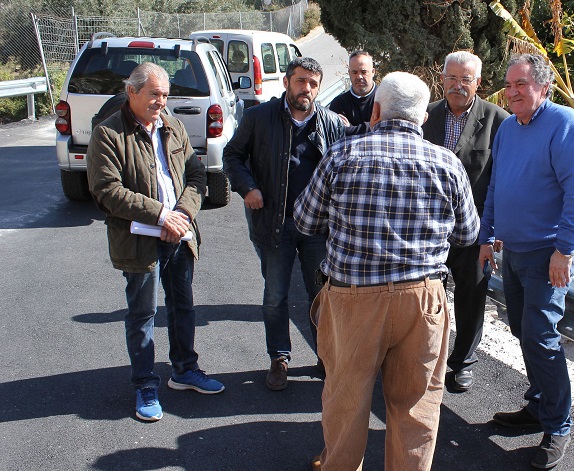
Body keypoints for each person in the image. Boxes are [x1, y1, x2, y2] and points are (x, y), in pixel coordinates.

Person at [295, 71, 479, 471]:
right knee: (416, 410)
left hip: (352, 301)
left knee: (346, 401)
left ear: (375, 110)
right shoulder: (446, 163)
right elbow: (468, 233)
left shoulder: (343, 155)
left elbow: (305, 221)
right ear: (422, 119)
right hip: (423, 301)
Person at [87, 62, 224, 422]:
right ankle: (146, 384)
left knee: (182, 307)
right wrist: (161, 215)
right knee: (143, 314)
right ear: (131, 92)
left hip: (179, 234)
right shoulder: (108, 134)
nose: (161, 101)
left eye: (164, 95)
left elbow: (196, 175)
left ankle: (184, 371)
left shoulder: (173, 126)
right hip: (140, 241)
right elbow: (106, 191)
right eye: (154, 94)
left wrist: (182, 215)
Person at [478, 54, 574, 469]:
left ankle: (558, 426)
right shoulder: (509, 128)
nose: (511, 93)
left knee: (541, 339)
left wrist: (565, 251)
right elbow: (496, 185)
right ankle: (539, 404)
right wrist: (487, 236)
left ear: (543, 88)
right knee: (521, 330)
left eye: (521, 85)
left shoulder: (566, 125)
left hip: (548, 256)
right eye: (508, 85)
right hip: (511, 251)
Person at [222, 57, 346, 391]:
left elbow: (344, 167)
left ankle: (326, 356)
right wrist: (247, 187)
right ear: (287, 82)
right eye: (301, 81)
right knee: (275, 296)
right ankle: (279, 358)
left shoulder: (332, 123)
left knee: (321, 295)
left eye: (314, 83)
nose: (307, 89)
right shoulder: (258, 118)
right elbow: (231, 155)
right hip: (276, 224)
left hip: (318, 229)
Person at [421, 50, 509, 393]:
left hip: (476, 231)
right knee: (429, 301)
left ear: (479, 83)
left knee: (471, 299)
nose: (458, 86)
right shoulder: (425, 117)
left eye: (466, 79)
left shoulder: (499, 121)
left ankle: (462, 363)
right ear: (441, 79)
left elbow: (502, 179)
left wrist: (494, 231)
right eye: (451, 78)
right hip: (429, 230)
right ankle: (430, 358)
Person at [329, 50, 376, 132]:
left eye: (364, 72)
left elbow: (385, 128)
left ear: (373, 72)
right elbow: (337, 134)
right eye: (354, 72)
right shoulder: (339, 103)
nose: (359, 76)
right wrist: (371, 126)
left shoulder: (384, 99)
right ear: (349, 73)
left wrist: (350, 129)